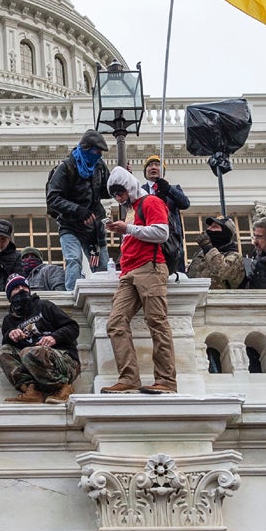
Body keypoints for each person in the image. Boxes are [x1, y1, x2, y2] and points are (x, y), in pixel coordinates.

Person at [100, 166, 176, 394]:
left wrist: (128, 228)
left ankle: (166, 381)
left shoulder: (150, 202)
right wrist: (125, 230)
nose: (117, 198)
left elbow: (162, 232)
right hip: (129, 272)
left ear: (130, 187)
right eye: (114, 194)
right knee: (115, 322)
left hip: (150, 267)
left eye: (120, 192)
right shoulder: (133, 209)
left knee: (157, 322)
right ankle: (129, 379)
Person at [0, 274, 80, 404]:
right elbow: (9, 350)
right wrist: (10, 335)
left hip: (64, 362)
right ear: (9, 295)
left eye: (24, 286)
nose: (21, 289)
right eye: (16, 287)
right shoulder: (9, 321)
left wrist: (54, 337)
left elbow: (73, 327)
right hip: (33, 366)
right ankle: (32, 391)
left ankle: (63, 388)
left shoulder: (44, 306)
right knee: (3, 351)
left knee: (30, 352)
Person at [44, 130, 110, 290]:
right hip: (70, 225)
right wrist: (78, 211)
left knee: (101, 264)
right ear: (87, 149)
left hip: (93, 228)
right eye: (96, 151)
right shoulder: (66, 167)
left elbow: (107, 191)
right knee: (74, 259)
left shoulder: (99, 166)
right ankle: (71, 296)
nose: (99, 155)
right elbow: (53, 198)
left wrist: (122, 178)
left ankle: (105, 295)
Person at [140, 155, 191, 275]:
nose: (153, 167)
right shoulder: (140, 191)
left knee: (175, 272)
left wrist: (168, 189)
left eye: (157, 165)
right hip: (149, 236)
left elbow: (185, 203)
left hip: (171, 239)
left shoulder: (173, 188)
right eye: (150, 165)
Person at [194, 215, 246, 289]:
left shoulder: (236, 257)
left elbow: (222, 271)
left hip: (220, 299)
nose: (209, 229)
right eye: (209, 226)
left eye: (214, 227)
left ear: (225, 233)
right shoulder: (201, 254)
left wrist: (207, 247)